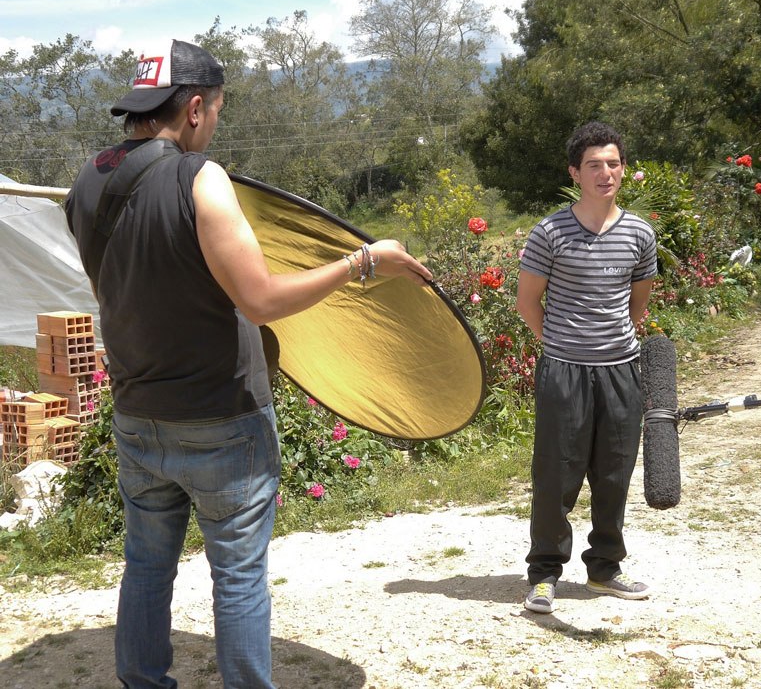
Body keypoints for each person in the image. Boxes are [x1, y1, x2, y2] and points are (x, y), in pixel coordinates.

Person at [64, 39, 432, 688]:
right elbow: (259, 301)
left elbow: (125, 288)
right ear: (197, 108)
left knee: (147, 565)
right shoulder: (200, 178)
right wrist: (363, 260)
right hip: (221, 418)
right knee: (236, 575)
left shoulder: (88, 181)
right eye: (219, 112)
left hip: (137, 414)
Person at [515, 121, 658, 614]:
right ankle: (544, 574)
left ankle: (604, 569)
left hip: (621, 371)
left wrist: (608, 345)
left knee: (614, 472)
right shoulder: (550, 231)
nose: (605, 173)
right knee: (556, 474)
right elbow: (528, 301)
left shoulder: (640, 232)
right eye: (594, 164)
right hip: (564, 371)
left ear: (623, 169)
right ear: (575, 172)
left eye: (613, 163)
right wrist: (559, 346)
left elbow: (638, 304)